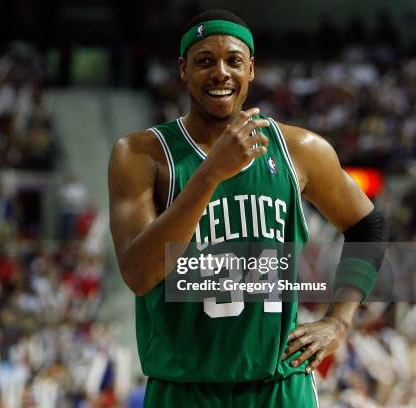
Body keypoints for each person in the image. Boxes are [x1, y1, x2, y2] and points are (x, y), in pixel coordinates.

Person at [108, 9, 388, 407]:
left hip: (278, 385)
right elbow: (138, 274)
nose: (220, 72)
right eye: (205, 61)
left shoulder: (300, 150)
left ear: (251, 69)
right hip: (184, 388)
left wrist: (338, 322)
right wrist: (209, 175)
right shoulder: (139, 155)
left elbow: (369, 228)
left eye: (233, 61)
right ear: (183, 70)